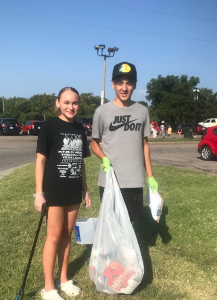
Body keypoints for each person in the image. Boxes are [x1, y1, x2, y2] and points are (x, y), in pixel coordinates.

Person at [34, 87, 91, 300]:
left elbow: (81, 163)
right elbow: (40, 160)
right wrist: (39, 194)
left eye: (75, 103)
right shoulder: (49, 126)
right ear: (57, 103)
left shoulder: (80, 128)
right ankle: (48, 287)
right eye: (66, 102)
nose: (71, 107)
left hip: (73, 190)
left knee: (67, 234)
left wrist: (85, 190)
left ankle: (64, 278)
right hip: (55, 191)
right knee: (54, 236)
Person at [91, 62, 158, 223]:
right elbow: (93, 143)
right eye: (120, 83)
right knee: (112, 225)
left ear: (134, 85)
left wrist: (150, 176)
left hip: (134, 179)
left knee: (131, 225)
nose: (124, 88)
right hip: (110, 180)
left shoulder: (142, 111)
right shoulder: (102, 112)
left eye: (128, 83)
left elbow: (145, 144)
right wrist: (104, 158)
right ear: (113, 85)